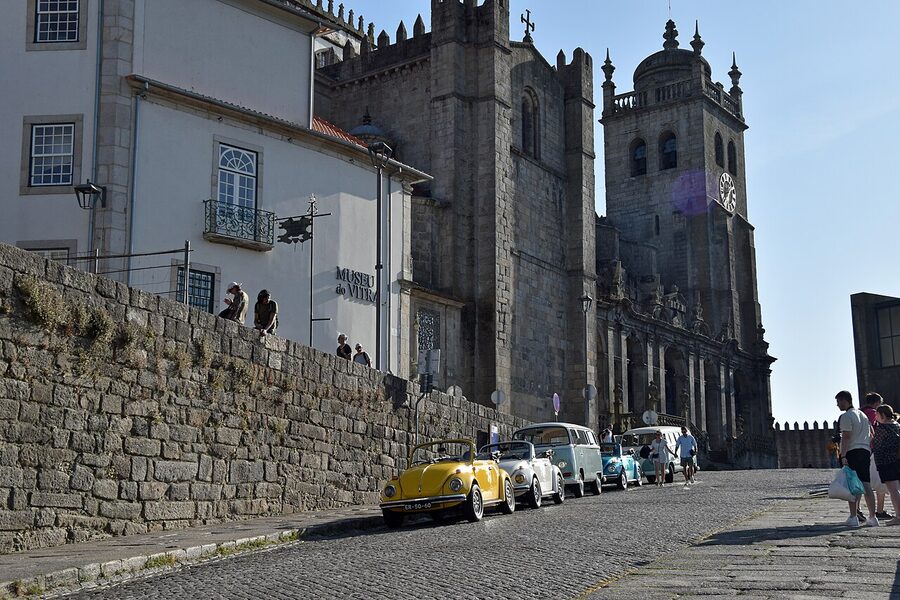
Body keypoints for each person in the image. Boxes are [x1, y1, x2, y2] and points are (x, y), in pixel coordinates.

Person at [836, 390, 878, 527]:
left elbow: (846, 437)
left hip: (853, 451)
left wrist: (843, 455)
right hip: (865, 450)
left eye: (838, 402)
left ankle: (853, 517)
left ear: (844, 400)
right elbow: (872, 434)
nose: (838, 405)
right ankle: (873, 517)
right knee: (866, 484)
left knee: (852, 484)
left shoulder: (847, 416)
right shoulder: (864, 415)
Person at [862, 392, 892, 519]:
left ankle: (858, 511)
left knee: (863, 482)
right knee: (881, 482)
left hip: (861, 449)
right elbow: (874, 431)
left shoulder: (860, 412)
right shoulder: (873, 413)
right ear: (877, 403)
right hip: (874, 451)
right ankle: (878, 511)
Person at [872, 404, 900, 526]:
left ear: (882, 415)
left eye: (877, 414)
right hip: (897, 460)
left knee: (893, 491)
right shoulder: (897, 426)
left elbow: (877, 446)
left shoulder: (882, 428)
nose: (876, 417)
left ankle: (898, 516)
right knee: (896, 490)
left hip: (886, 462)